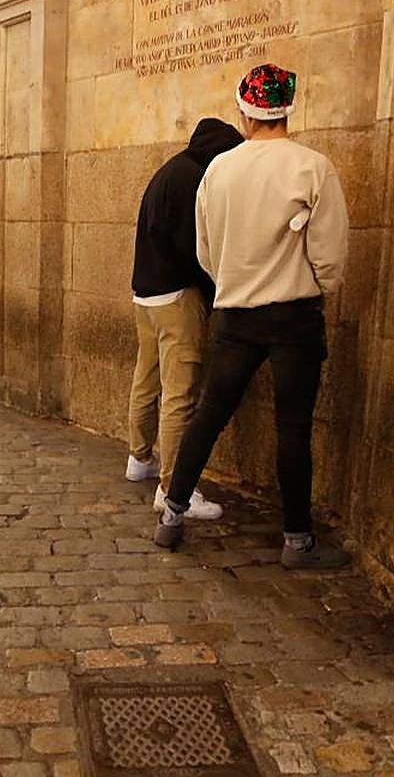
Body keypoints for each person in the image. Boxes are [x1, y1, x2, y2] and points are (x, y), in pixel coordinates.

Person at [154, 64, 350, 570]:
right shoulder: (312, 167)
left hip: (235, 314)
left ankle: (171, 514)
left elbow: (206, 251)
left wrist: (233, 283)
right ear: (286, 108)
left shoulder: (219, 170)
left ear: (245, 110)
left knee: (209, 414)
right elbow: (330, 254)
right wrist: (316, 287)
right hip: (293, 317)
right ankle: (297, 540)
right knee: (293, 426)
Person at [127, 118, 244, 523]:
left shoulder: (170, 170)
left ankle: (138, 458)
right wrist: (215, 295)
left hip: (146, 295)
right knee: (180, 393)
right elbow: (196, 250)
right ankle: (173, 488)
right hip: (177, 297)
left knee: (147, 376)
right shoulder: (195, 180)